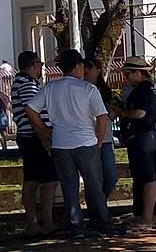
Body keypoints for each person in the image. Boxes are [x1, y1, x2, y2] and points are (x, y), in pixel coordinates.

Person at [25, 49, 117, 239]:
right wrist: (98, 141)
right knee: (94, 185)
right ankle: (102, 222)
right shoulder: (88, 89)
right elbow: (102, 117)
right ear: (77, 66)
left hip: (60, 143)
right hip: (86, 141)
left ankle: (76, 226)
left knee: (69, 187)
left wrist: (43, 131)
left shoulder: (50, 88)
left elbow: (30, 108)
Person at [11, 50, 58, 236]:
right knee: (46, 179)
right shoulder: (27, 84)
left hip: (30, 136)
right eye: (40, 64)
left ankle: (39, 221)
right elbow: (33, 112)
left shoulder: (24, 83)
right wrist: (45, 136)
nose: (41, 68)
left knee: (36, 179)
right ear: (33, 65)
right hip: (34, 137)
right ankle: (42, 221)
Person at [118, 56, 156, 227]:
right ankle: (142, 215)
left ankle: (147, 218)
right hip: (142, 138)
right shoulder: (143, 89)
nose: (126, 78)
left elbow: (140, 113)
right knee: (142, 178)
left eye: (128, 74)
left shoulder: (144, 90)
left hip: (143, 137)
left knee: (148, 177)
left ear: (138, 73)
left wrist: (123, 113)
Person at [83, 57, 120, 200]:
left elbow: (113, 111)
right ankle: (98, 208)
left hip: (105, 138)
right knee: (94, 178)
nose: (86, 72)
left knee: (110, 176)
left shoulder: (104, 90)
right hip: (89, 138)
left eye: (89, 68)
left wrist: (113, 113)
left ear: (97, 70)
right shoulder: (82, 88)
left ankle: (100, 203)